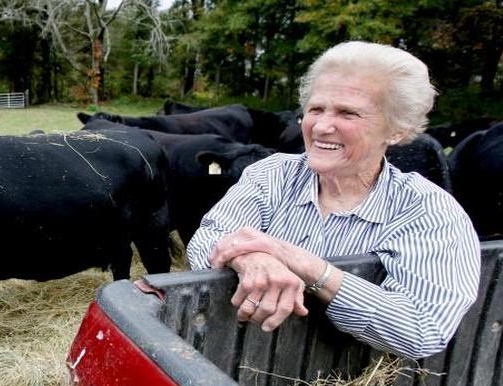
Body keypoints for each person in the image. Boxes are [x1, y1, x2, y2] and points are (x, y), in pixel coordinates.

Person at [185, 41, 479, 360]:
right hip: (241, 364)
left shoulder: (427, 211)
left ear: (396, 130)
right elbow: (206, 238)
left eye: (347, 113)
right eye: (316, 109)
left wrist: (308, 267)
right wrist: (252, 258)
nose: (322, 127)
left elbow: (423, 332)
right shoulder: (273, 174)